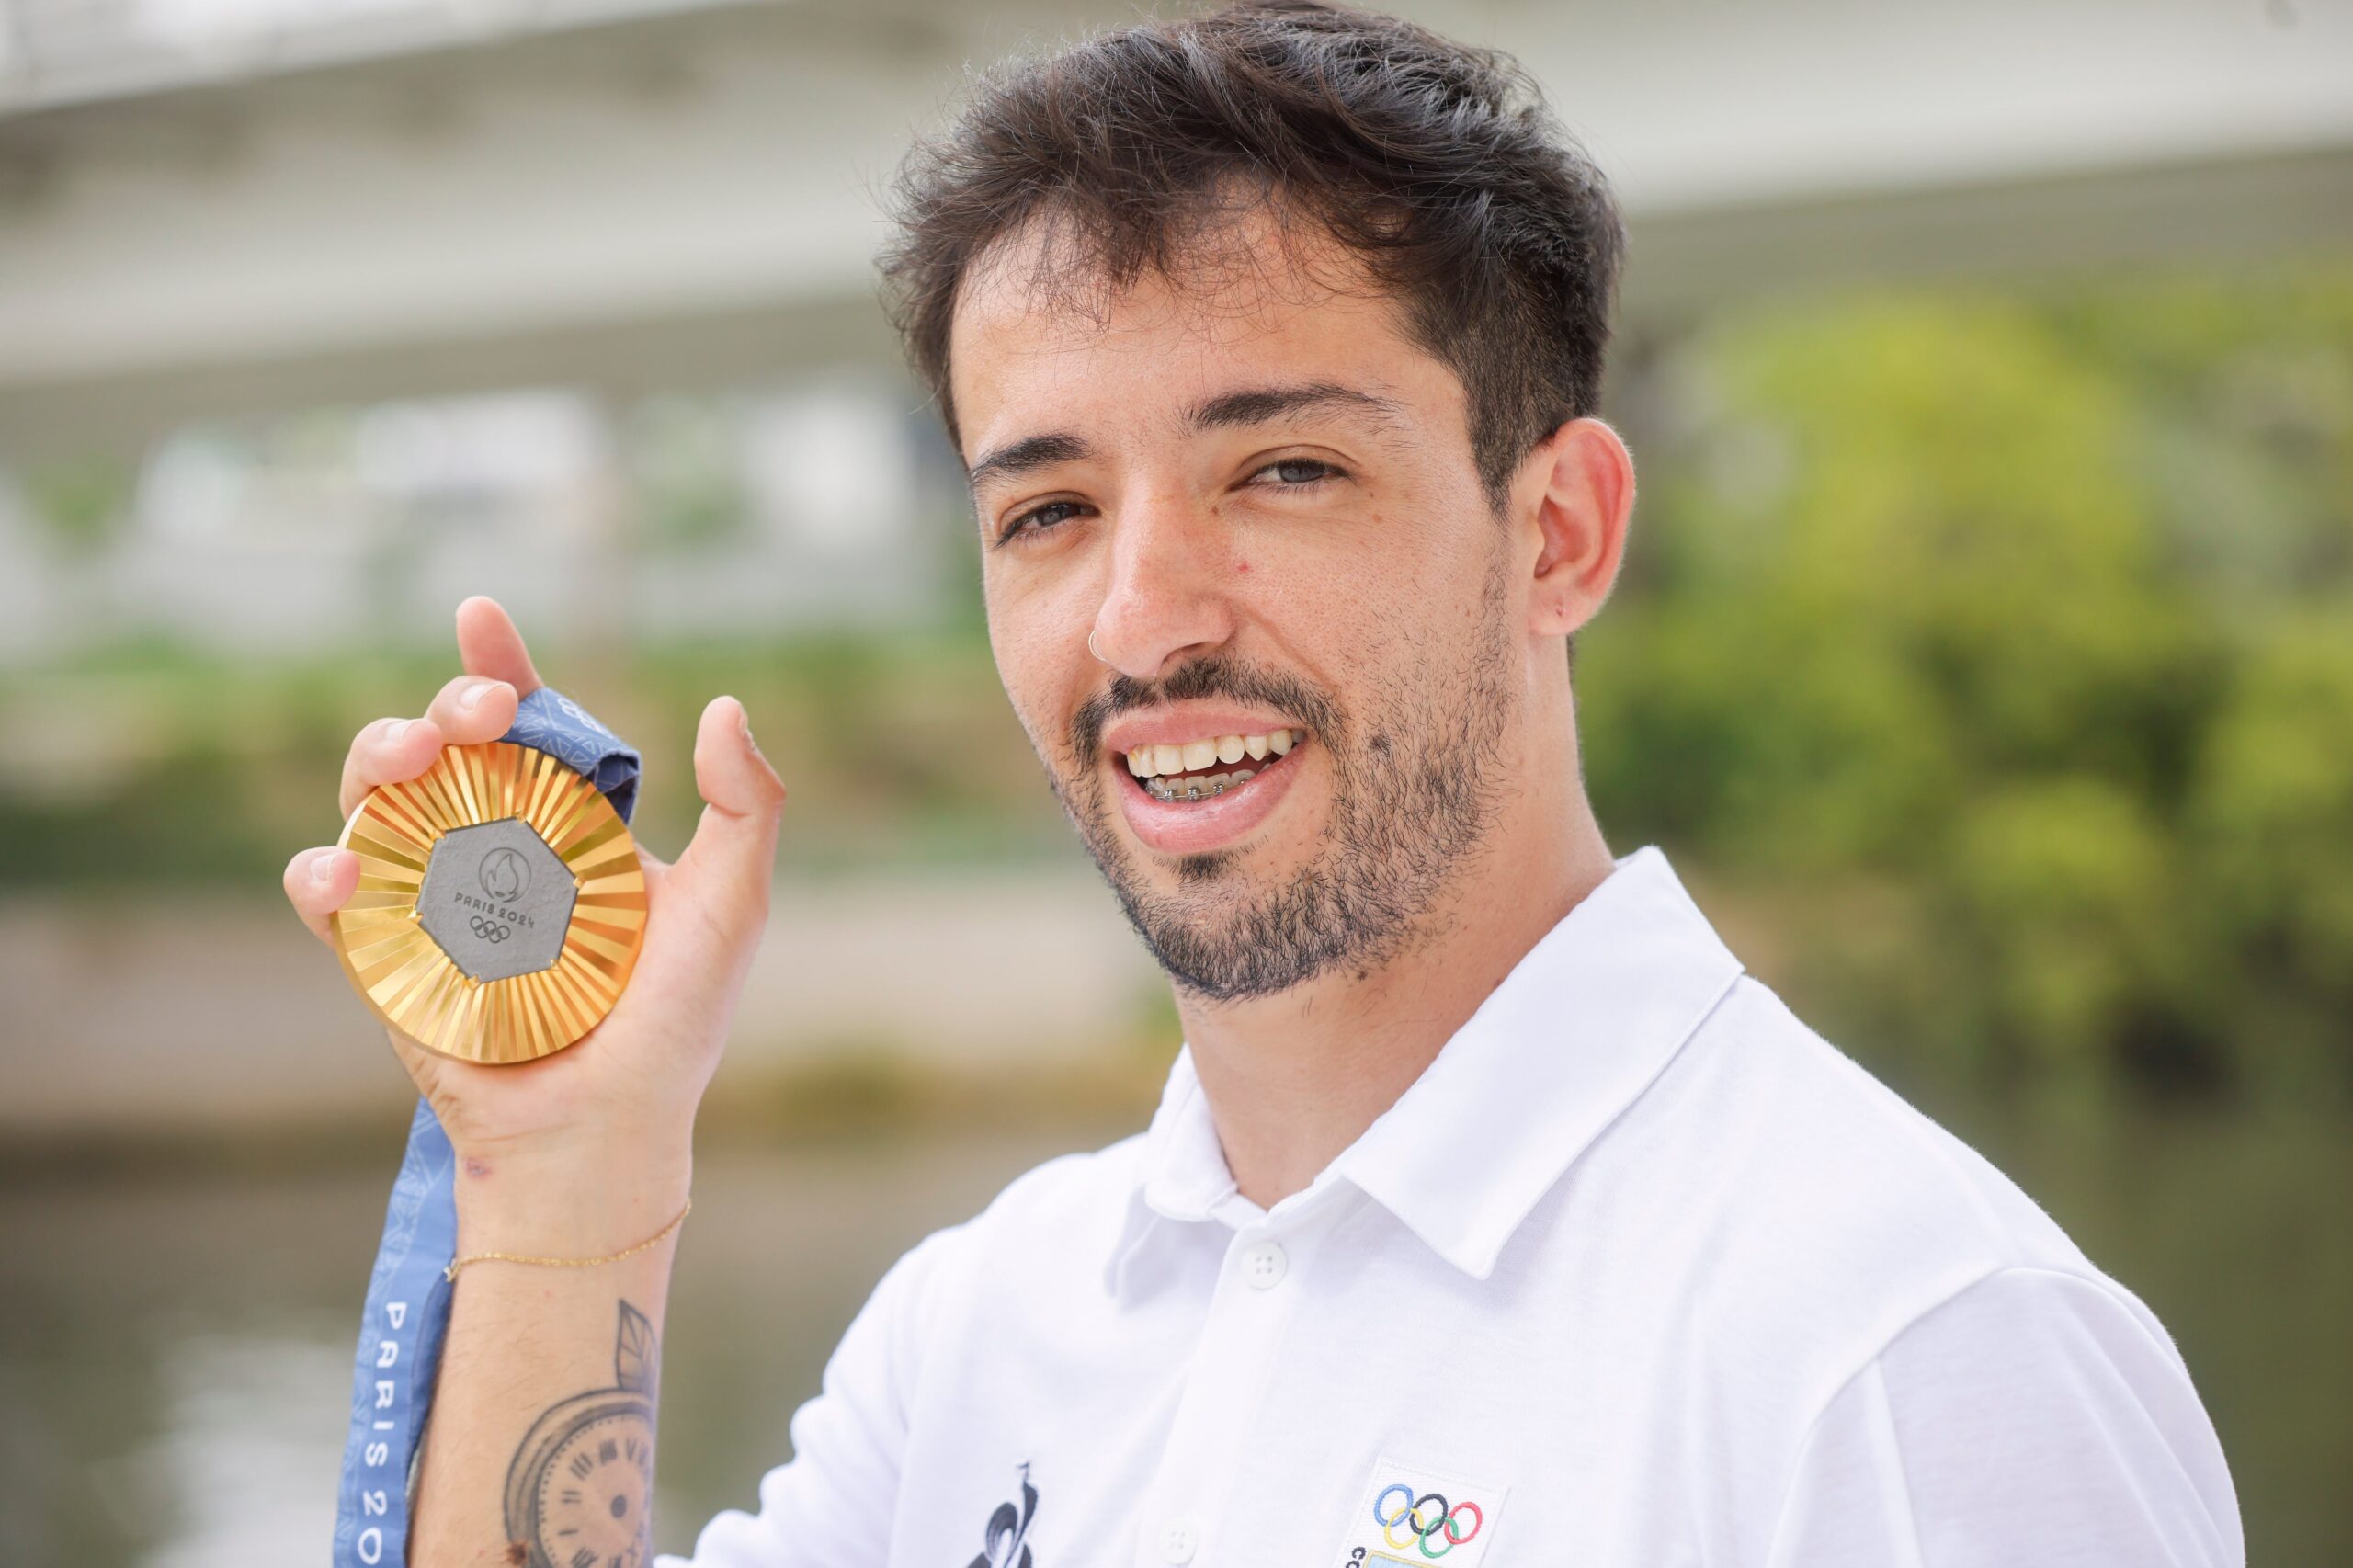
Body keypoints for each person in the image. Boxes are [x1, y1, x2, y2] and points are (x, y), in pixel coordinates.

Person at [281, 3, 2246, 1563]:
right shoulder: (972, 1340)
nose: (1142, 623)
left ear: (1556, 529)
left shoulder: (1899, 1347)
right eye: (1046, 507)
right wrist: (568, 1180)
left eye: (1279, 470)